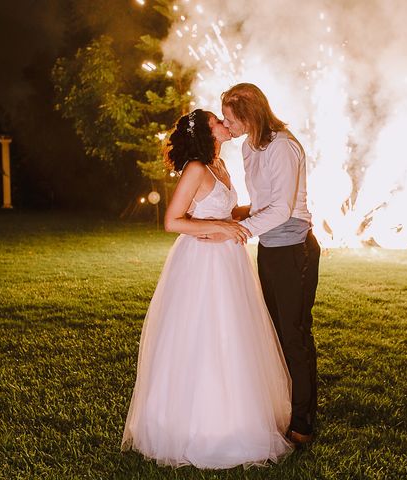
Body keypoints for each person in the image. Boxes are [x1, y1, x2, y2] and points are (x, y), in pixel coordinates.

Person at [121, 109, 293, 469]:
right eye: (218, 120)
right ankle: (193, 426)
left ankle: (237, 418)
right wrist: (222, 228)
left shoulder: (221, 167)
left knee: (233, 335)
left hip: (228, 262)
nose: (225, 124)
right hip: (200, 262)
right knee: (202, 335)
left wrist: (262, 210)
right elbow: (173, 221)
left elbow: (226, 212)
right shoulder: (196, 168)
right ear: (205, 131)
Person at [208, 83, 321, 445]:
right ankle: (285, 406)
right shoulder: (248, 147)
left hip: (294, 248)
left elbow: (283, 208)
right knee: (274, 332)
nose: (228, 125)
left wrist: (238, 230)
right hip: (271, 248)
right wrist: (229, 215)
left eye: (231, 117)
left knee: (295, 335)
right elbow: (263, 201)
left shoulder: (282, 147)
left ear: (250, 115)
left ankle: (303, 423)